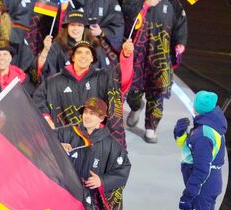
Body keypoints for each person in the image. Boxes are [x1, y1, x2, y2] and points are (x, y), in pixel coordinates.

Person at [58, 98, 131, 210]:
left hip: (92, 206)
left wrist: (102, 181)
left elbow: (123, 169)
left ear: (102, 118)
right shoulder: (66, 133)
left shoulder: (111, 144)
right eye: (86, 112)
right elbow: (41, 142)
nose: (87, 117)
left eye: (93, 114)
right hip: (65, 200)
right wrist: (57, 147)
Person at [34, 39, 134, 147]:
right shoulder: (54, 81)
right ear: (72, 57)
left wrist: (126, 57)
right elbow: (38, 99)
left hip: (95, 143)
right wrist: (46, 119)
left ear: (92, 58)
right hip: (65, 142)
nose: (83, 56)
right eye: (79, 52)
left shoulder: (103, 77)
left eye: (87, 53)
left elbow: (121, 78)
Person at [123, 0, 187, 143]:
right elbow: (125, 15)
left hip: (161, 57)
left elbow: (181, 24)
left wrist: (180, 43)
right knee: (133, 91)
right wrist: (144, 6)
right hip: (138, 56)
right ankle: (136, 107)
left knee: (157, 94)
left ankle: (151, 127)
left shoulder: (174, 4)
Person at [37, 11, 112, 80]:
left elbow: (105, 74)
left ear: (85, 28)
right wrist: (45, 50)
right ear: (67, 27)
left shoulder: (95, 46)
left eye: (79, 25)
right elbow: (42, 68)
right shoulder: (57, 45)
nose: (75, 29)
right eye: (72, 25)